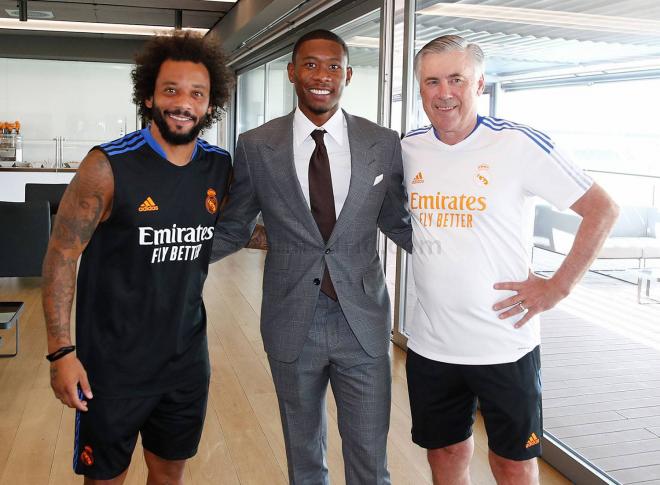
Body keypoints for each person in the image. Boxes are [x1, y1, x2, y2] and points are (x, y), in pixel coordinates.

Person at [401, 35, 619, 485]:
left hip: (505, 343)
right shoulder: (408, 148)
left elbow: (602, 208)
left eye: (456, 79)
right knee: (444, 453)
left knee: (513, 464)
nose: (444, 92)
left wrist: (557, 287)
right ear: (420, 89)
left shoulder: (518, 144)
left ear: (479, 84)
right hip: (430, 343)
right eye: (432, 81)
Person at [211, 29, 412, 485]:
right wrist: (174, 262)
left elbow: (398, 222)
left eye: (333, 66)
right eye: (311, 64)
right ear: (292, 72)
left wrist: (462, 261)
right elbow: (234, 225)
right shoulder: (256, 145)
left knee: (369, 456)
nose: (322, 76)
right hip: (291, 319)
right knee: (303, 457)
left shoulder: (382, 142)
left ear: (348, 75)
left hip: (362, 320)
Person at [42, 31, 235, 485]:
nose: (182, 103)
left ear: (210, 105)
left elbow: (233, 231)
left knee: (169, 475)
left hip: (185, 363)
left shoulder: (218, 166)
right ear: (148, 95)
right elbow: (61, 254)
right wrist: (61, 353)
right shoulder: (107, 166)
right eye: (171, 90)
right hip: (111, 368)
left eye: (196, 93)